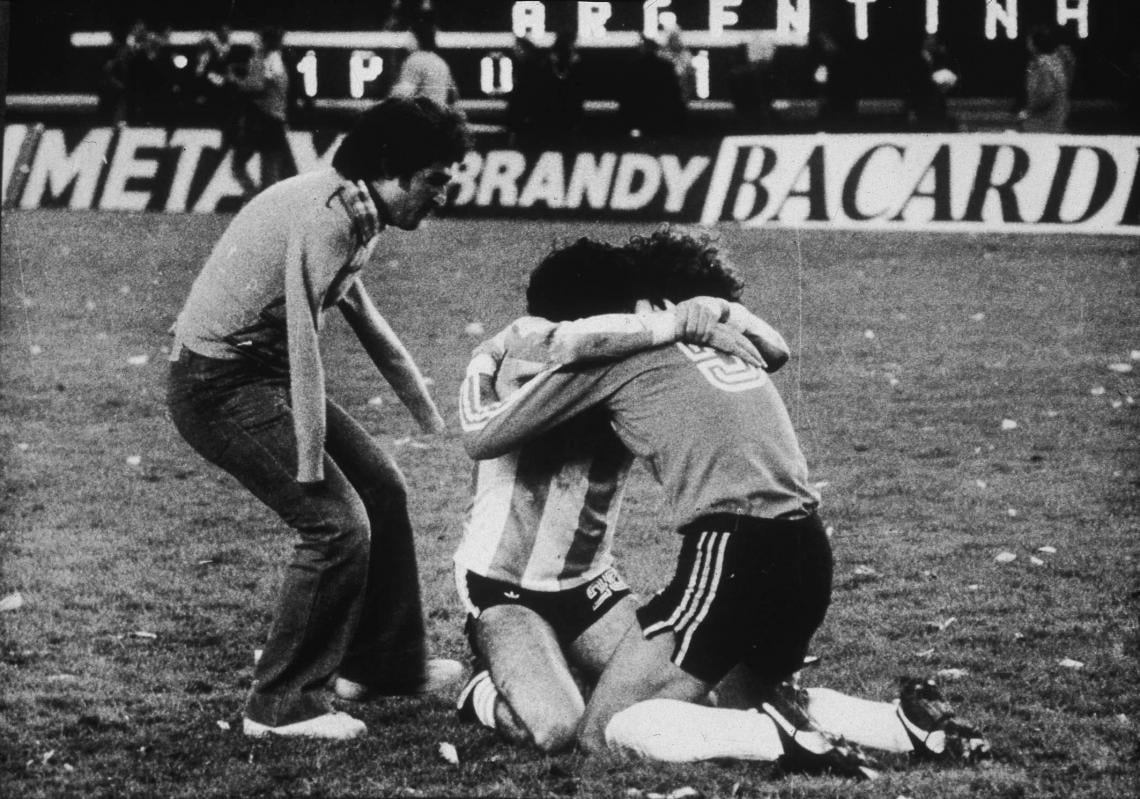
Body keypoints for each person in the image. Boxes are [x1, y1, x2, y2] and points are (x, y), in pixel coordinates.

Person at [460, 229, 991, 774]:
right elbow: (778, 349)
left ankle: (779, 740)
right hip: (808, 547)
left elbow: (537, 373)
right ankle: (902, 727)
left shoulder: (614, 354)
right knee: (733, 695)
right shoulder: (717, 340)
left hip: (733, 546)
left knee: (603, 732)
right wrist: (710, 313)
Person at [166, 96, 472, 741]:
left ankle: (383, 664)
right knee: (336, 526)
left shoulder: (355, 207)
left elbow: (358, 312)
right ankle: (279, 705)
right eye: (435, 179)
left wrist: (422, 403)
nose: (443, 194)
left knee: (382, 489)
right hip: (219, 384)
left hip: (257, 375)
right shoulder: (329, 215)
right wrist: (309, 458)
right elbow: (306, 343)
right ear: (390, 167)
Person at [454, 235, 782, 753]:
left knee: (686, 704)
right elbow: (479, 430)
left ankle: (551, 669)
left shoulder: (636, 362)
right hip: (503, 586)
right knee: (558, 728)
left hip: (590, 586)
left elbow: (770, 352)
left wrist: (714, 312)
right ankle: (481, 687)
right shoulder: (513, 355)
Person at [229, 26, 291, 199]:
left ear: (263, 41)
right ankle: (261, 204)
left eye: (256, 40)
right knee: (269, 175)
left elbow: (258, 87)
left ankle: (254, 199)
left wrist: (237, 82)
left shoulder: (264, 60)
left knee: (238, 166)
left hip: (261, 121)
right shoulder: (276, 60)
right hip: (275, 121)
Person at [390, 14, 458, 108]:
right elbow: (453, 95)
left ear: (417, 38)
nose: (407, 41)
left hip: (421, 119)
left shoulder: (415, 60)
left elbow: (402, 95)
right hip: (439, 118)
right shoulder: (440, 61)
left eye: (410, 37)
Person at [1018, 25, 1072, 133]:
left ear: (1034, 43)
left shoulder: (1041, 65)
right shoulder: (1057, 62)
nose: (1027, 44)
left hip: (1043, 125)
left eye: (1029, 41)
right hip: (1056, 121)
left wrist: (1028, 112)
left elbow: (1045, 93)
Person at [903, 33, 958, 133]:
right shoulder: (916, 60)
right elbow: (913, 85)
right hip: (921, 105)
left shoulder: (938, 58)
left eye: (934, 40)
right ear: (924, 42)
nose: (933, 42)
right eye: (930, 40)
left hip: (936, 106)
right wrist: (911, 109)